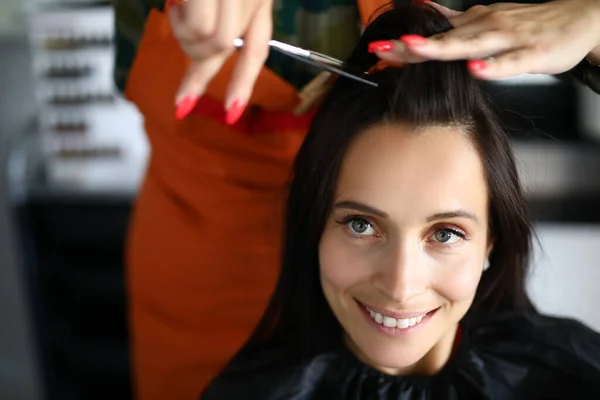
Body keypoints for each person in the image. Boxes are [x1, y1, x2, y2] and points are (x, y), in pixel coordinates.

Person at [111, 0, 600, 398]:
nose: (400, 286)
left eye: (446, 232)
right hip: (206, 240)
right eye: (362, 223)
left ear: (491, 239)